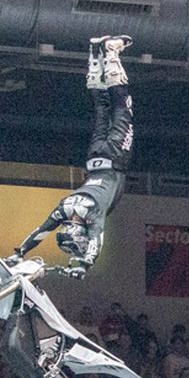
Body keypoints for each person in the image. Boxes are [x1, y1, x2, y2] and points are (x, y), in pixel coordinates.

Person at [12, 35, 134, 278]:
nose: (85, 242)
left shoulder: (92, 213)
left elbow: (96, 240)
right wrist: (19, 251)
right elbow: (41, 232)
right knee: (100, 107)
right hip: (94, 159)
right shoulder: (64, 209)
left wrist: (84, 265)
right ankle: (94, 51)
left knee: (123, 106)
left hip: (115, 159)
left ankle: (111, 52)